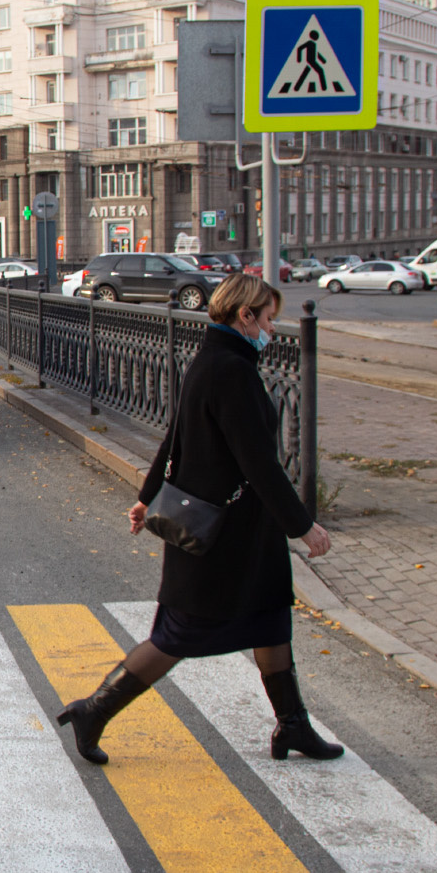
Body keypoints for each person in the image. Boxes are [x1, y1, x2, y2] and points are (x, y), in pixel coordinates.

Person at [57, 273, 341, 765]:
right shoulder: (230, 369)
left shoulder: (213, 360)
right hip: (222, 537)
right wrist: (302, 525)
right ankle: (94, 710)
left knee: (272, 622)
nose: (272, 329)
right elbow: (259, 462)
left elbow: (174, 439)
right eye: (268, 319)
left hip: (244, 531)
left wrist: (147, 497)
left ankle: (293, 726)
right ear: (244, 315)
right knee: (178, 634)